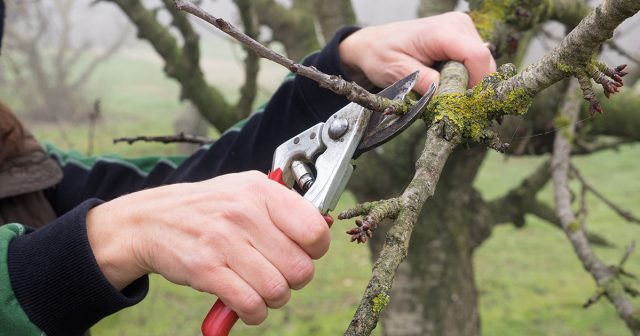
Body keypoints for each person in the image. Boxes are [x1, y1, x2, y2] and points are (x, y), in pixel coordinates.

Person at [0, 10, 496, 336]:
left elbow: (186, 186)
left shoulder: (21, 165)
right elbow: (141, 212)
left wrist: (344, 71)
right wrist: (112, 237)